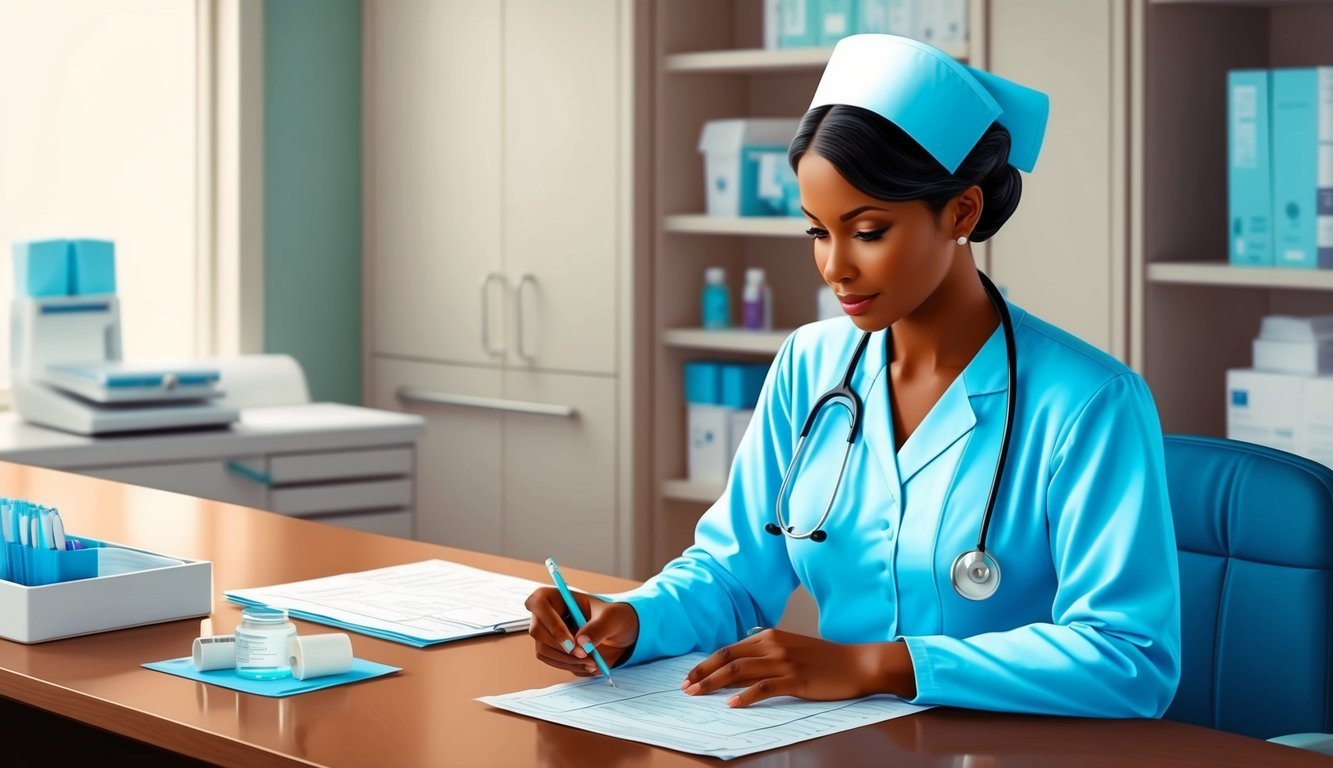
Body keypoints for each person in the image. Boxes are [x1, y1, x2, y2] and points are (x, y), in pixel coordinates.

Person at [525, 33, 1181, 717]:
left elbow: (1130, 659)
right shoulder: (809, 365)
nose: (834, 266)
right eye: (816, 231)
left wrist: (876, 665)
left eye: (866, 230)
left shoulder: (1088, 402)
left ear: (960, 212)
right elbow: (734, 574)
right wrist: (628, 622)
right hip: (839, 739)